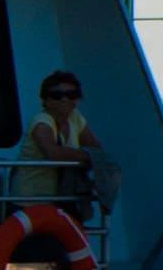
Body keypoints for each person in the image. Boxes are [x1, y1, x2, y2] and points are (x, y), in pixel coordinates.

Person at [16, 69, 103, 199]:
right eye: (57, 95)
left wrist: (89, 154)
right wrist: (87, 155)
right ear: (45, 100)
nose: (64, 99)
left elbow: (96, 148)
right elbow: (53, 153)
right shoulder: (41, 121)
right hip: (31, 198)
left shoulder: (75, 118)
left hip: (61, 198)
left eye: (71, 95)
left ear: (77, 99)